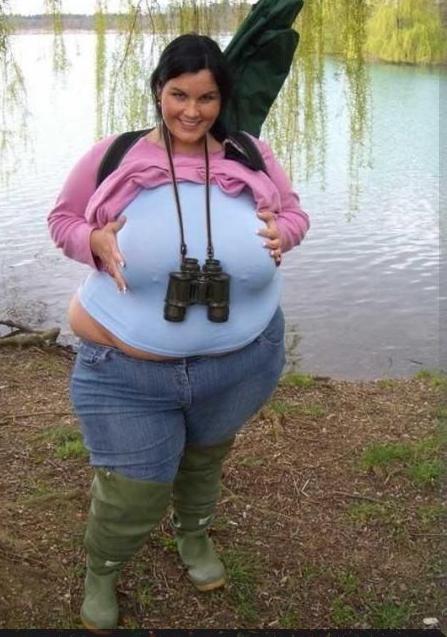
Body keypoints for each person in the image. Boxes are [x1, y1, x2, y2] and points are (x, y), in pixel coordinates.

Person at [48, 33, 309, 630]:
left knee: (205, 462)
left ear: (223, 98)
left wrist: (285, 233)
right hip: (127, 374)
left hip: (241, 365)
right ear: (159, 90)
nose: (192, 111)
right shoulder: (114, 154)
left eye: (207, 97)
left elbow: (295, 213)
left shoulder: (251, 153)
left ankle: (193, 535)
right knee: (133, 491)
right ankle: (102, 570)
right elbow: (62, 220)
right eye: (179, 95)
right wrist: (91, 240)